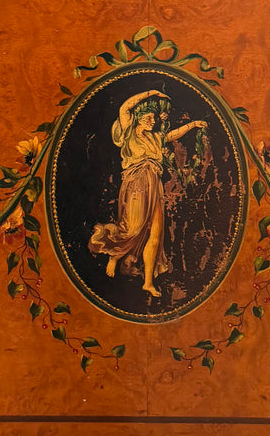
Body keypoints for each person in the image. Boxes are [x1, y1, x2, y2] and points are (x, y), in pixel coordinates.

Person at [88, 88, 207, 297]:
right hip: (136, 184)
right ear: (138, 118)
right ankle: (114, 255)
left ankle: (148, 282)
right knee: (132, 228)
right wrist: (151, 92)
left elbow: (172, 135)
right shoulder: (128, 133)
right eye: (148, 117)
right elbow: (125, 107)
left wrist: (193, 125)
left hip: (155, 186)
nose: (153, 121)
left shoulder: (155, 138)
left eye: (153, 117)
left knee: (155, 233)